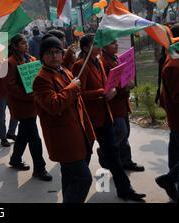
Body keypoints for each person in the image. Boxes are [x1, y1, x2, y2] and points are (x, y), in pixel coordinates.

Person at [72, 33, 146, 201]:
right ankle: (74, 190)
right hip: (90, 119)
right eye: (95, 44)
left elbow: (107, 85)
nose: (99, 46)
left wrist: (113, 90)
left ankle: (125, 189)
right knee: (84, 156)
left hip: (105, 116)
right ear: (85, 47)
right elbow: (78, 93)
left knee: (113, 154)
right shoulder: (80, 66)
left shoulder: (98, 62)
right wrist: (102, 93)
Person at [33, 34, 96, 203]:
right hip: (64, 139)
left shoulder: (64, 70)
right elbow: (54, 105)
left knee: (70, 178)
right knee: (84, 179)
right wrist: (73, 88)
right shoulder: (41, 79)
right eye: (49, 53)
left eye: (57, 52)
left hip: (79, 133)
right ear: (42, 57)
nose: (54, 56)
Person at [6, 33, 52, 181]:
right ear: (14, 46)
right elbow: (11, 86)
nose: (25, 45)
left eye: (26, 43)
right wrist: (29, 96)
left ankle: (15, 159)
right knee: (34, 138)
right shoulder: (10, 62)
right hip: (21, 106)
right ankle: (40, 168)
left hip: (33, 105)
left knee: (24, 134)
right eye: (22, 43)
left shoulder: (32, 59)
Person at [102, 40, 144, 172]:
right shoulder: (104, 63)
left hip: (122, 103)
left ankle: (126, 161)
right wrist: (124, 88)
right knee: (121, 132)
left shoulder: (115, 58)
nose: (116, 45)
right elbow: (109, 85)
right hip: (114, 104)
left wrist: (128, 82)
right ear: (103, 46)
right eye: (112, 43)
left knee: (125, 133)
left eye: (116, 42)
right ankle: (106, 154)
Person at [156, 23, 179, 202]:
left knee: (175, 148)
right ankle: (170, 178)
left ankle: (173, 177)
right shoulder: (174, 63)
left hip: (175, 117)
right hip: (177, 116)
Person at [0, 60, 17, 147]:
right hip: (1, 94)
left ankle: (11, 133)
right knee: (2, 116)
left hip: (11, 92)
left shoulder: (11, 59)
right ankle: (3, 138)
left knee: (15, 114)